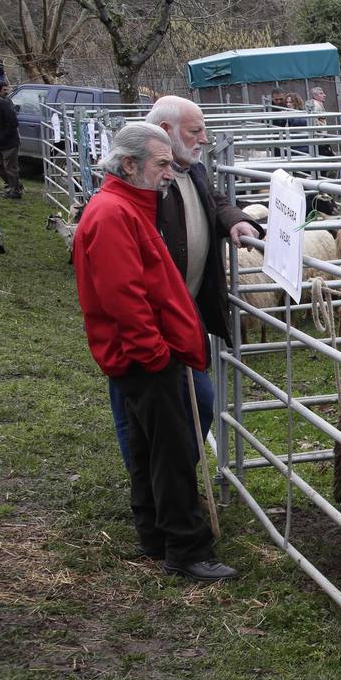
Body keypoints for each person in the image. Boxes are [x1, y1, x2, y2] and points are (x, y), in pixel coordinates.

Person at [72, 122, 237, 581]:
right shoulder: (112, 214)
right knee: (173, 449)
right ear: (130, 164)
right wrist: (156, 354)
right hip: (145, 357)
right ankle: (186, 548)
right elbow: (123, 296)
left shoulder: (125, 208)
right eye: (161, 164)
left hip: (143, 354)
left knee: (149, 448)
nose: (169, 173)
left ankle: (153, 532)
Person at [107, 96, 261, 478]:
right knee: (140, 406)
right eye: (196, 131)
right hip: (149, 316)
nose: (204, 139)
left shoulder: (190, 168)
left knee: (195, 403)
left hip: (183, 310)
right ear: (165, 132)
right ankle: (153, 486)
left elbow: (212, 200)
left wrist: (234, 220)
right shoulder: (143, 180)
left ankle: (170, 480)